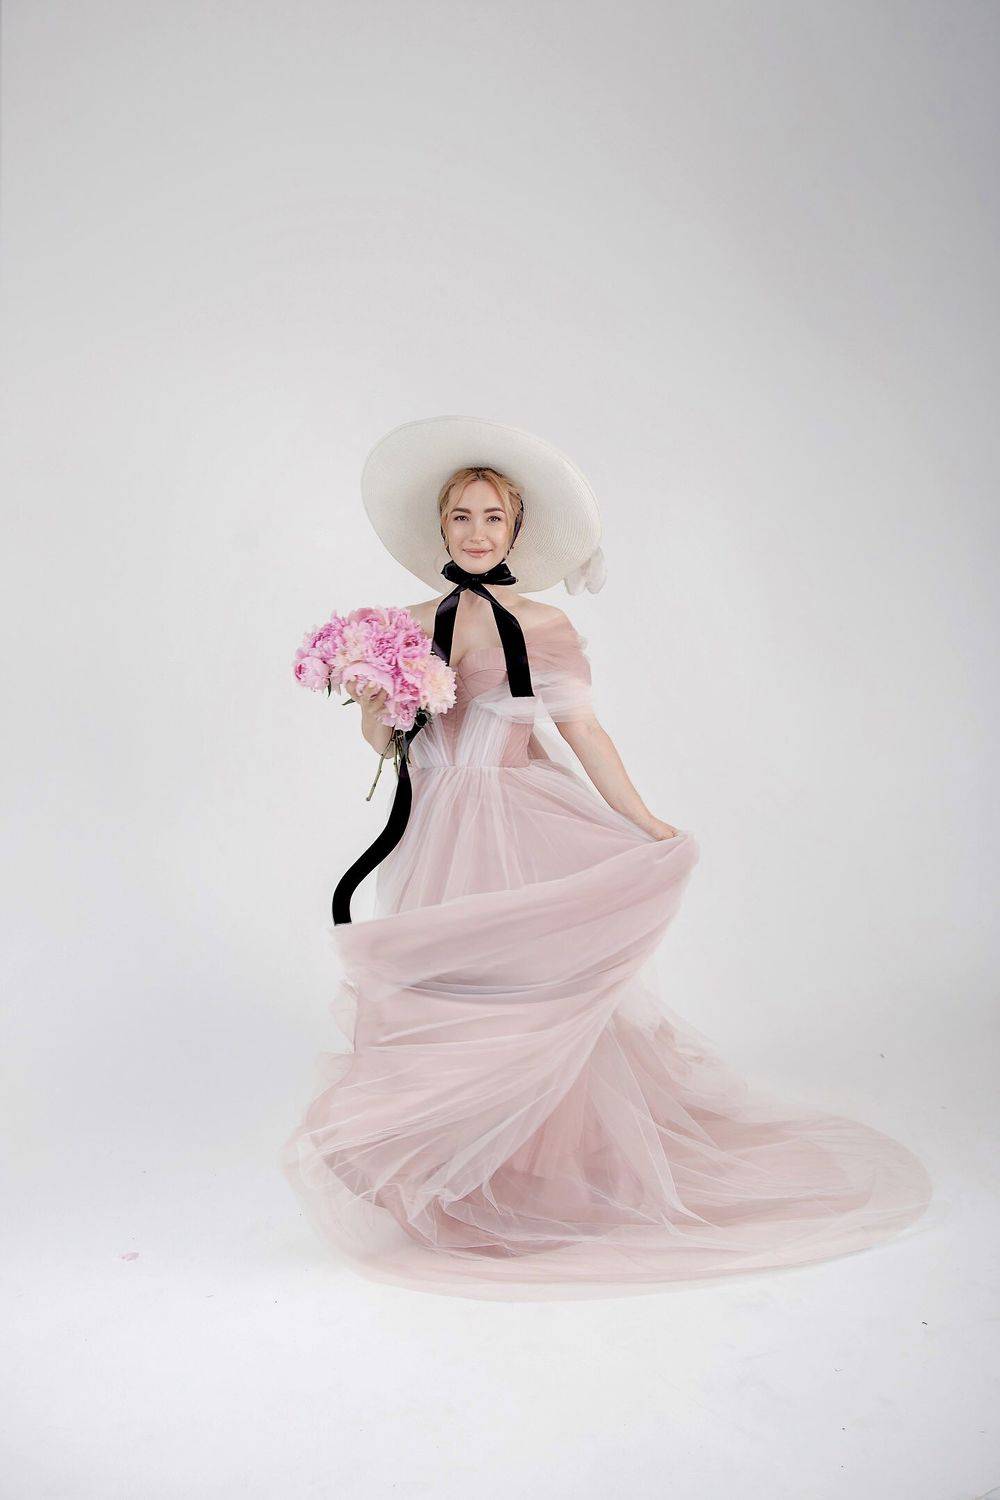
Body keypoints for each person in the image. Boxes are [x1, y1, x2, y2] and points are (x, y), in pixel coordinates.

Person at [280, 415, 935, 1300]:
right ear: (441, 528)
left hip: (514, 821)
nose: (477, 532)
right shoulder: (402, 625)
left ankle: (537, 1179)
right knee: (451, 991)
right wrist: (372, 699)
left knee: (528, 996)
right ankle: (462, 1175)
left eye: (493, 518)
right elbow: (390, 745)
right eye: (462, 517)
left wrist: (646, 820)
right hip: (438, 826)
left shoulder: (542, 623)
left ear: (516, 531)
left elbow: (583, 731)